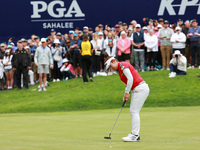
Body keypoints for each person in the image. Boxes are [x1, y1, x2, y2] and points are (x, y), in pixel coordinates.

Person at [104, 57, 149, 142]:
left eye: (110, 66)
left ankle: (135, 135)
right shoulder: (120, 71)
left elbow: (131, 79)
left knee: (134, 111)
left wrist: (127, 93)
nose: (111, 69)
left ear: (113, 61)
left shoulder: (122, 65)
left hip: (140, 88)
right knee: (133, 111)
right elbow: (127, 83)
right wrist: (125, 94)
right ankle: (134, 134)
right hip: (138, 89)